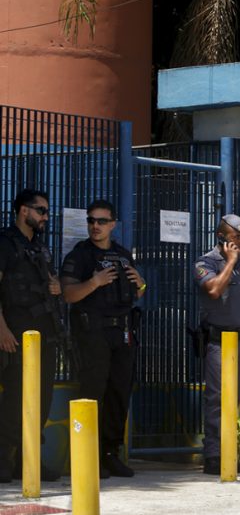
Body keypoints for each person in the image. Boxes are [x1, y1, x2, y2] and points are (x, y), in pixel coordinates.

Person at [61, 200, 144, 478]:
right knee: (92, 392)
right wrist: (94, 282)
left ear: (113, 224)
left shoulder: (122, 255)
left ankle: (110, 453)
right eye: (91, 221)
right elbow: (68, 295)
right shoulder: (80, 255)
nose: (95, 226)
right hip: (92, 332)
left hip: (122, 332)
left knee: (118, 393)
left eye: (101, 221)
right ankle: (86, 456)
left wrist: (141, 283)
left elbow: (138, 292)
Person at [194, 214, 240, 475]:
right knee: (217, 398)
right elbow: (213, 289)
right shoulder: (206, 262)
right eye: (235, 237)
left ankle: (228, 450)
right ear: (221, 237)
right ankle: (213, 454)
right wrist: (231, 261)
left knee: (233, 398)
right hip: (217, 341)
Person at [0, 189, 62, 483]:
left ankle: (29, 461)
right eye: (41, 211)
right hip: (15, 333)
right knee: (15, 399)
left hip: (44, 334)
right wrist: (1, 329)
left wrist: (56, 288)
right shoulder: (5, 243)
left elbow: (49, 284)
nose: (45, 217)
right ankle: (4, 460)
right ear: (23, 211)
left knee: (42, 400)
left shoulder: (40, 247)